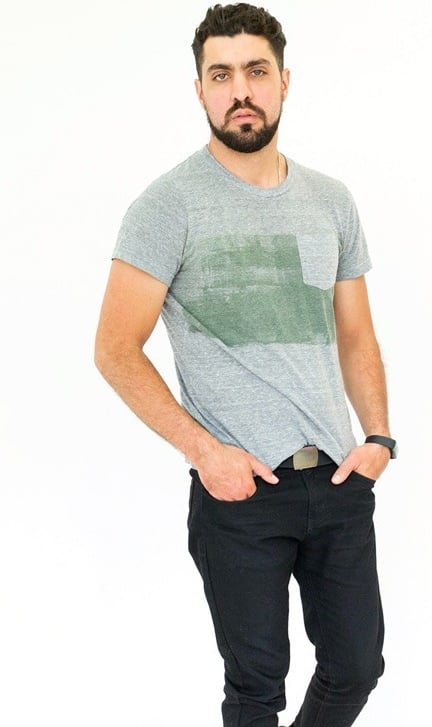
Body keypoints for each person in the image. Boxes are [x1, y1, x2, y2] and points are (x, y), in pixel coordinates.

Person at [94, 4, 396, 726]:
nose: (241, 91)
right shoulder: (167, 206)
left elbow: (356, 335)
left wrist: (379, 438)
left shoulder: (331, 201)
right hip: (240, 492)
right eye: (221, 74)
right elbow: (114, 348)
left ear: (284, 81)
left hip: (337, 477)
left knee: (357, 667)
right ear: (199, 89)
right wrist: (206, 453)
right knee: (257, 691)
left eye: (256, 72)